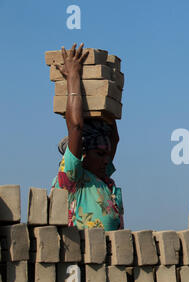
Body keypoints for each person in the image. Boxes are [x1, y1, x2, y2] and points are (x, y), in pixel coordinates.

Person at [51, 43, 123, 231]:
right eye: (100, 154)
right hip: (78, 259)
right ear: (82, 153)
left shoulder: (106, 181)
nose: (107, 160)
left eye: (107, 154)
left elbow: (115, 138)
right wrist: (73, 76)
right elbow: (76, 127)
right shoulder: (74, 177)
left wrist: (107, 101)